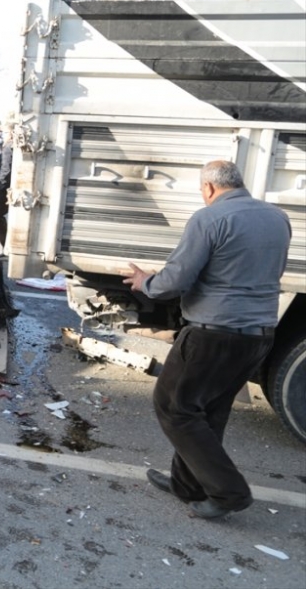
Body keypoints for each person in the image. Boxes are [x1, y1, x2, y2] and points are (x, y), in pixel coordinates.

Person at [123, 160, 291, 520]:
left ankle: (230, 493)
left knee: (174, 407)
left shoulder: (209, 218)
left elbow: (177, 279)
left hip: (214, 334)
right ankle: (189, 485)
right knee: (209, 410)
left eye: (202, 191)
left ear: (210, 188)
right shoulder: (278, 218)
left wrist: (146, 282)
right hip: (259, 335)